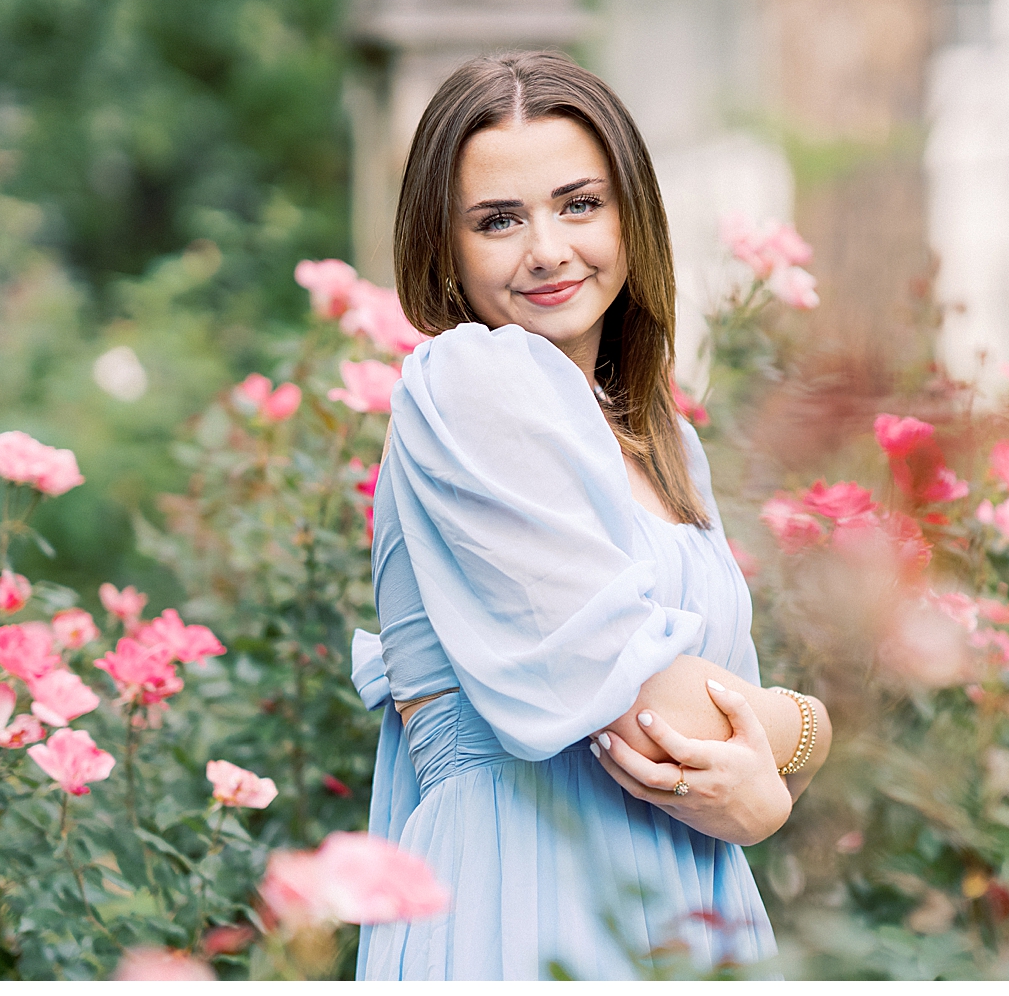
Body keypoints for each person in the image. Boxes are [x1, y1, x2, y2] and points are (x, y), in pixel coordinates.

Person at [350, 49, 832, 981]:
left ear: (630, 214)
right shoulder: (474, 381)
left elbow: (724, 726)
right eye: (499, 219)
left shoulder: (662, 442)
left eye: (580, 203)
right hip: (526, 895)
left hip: (681, 903)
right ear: (443, 248)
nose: (547, 248)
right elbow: (669, 728)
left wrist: (761, 755)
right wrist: (809, 727)